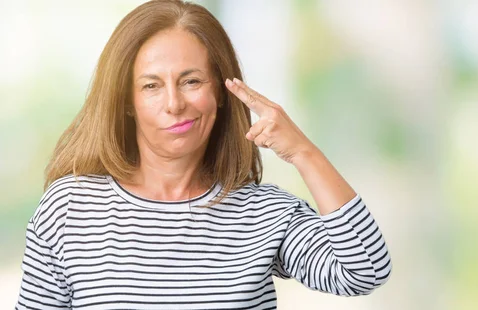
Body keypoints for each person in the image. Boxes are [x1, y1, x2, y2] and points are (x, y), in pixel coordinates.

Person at [15, 0, 392, 309]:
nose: (174, 103)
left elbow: (365, 271)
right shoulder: (69, 208)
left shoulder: (265, 214)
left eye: (191, 81)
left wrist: (305, 154)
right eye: (151, 86)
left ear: (221, 94)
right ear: (127, 102)